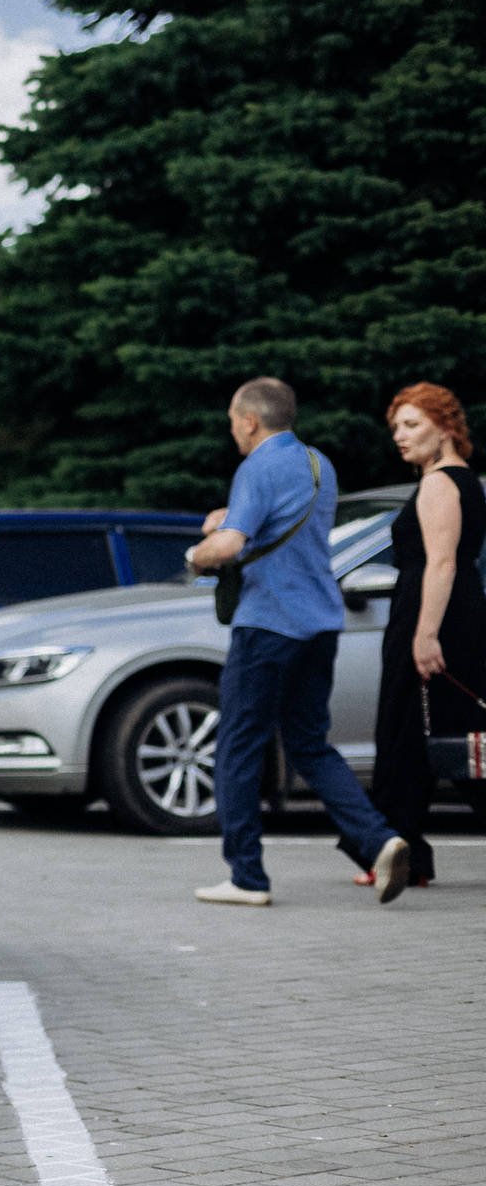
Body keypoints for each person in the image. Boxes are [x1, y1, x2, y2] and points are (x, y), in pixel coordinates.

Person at [185, 377, 408, 906]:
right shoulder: (317, 464)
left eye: (233, 422)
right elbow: (277, 525)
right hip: (320, 623)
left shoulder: (256, 466)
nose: (233, 431)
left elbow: (231, 545)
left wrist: (198, 554)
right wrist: (228, 520)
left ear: (249, 421)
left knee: (239, 746)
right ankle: (381, 840)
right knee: (310, 743)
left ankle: (247, 878)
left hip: (268, 623)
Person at [370, 383, 485, 890]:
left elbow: (441, 563)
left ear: (447, 428)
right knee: (421, 738)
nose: (400, 435)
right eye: (396, 427)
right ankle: (404, 852)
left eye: (412, 424)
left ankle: (399, 850)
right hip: (446, 616)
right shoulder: (462, 480)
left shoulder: (440, 484)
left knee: (440, 736)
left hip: (434, 619)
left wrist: (425, 636)